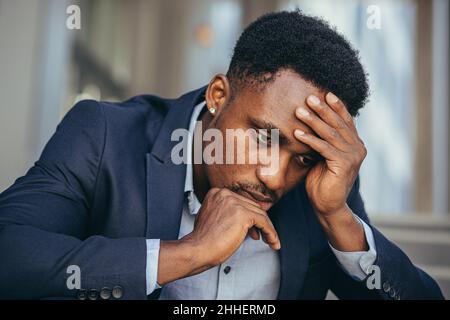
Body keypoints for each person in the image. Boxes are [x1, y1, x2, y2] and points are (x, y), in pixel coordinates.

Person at [0, 10, 443, 300]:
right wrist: (188, 253)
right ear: (218, 95)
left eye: (302, 157)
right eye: (263, 137)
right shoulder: (104, 136)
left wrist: (337, 218)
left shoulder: (324, 187)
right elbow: (10, 256)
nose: (274, 177)